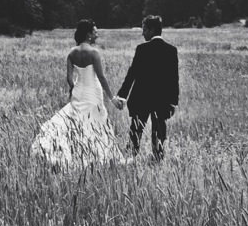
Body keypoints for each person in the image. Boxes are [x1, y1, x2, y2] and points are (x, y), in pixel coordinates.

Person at [30, 19, 125, 168]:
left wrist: (74, 88)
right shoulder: (94, 53)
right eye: (95, 32)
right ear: (88, 34)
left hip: (79, 91)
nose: (97, 34)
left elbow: (69, 77)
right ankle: (96, 155)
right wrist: (112, 97)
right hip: (93, 91)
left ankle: (77, 152)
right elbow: (101, 77)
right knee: (95, 122)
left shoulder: (72, 52)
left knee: (76, 122)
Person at [117, 14, 179, 159]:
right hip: (162, 100)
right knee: (159, 132)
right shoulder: (171, 50)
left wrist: (122, 95)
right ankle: (158, 158)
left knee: (135, 132)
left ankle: (130, 159)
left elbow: (132, 74)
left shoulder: (142, 49)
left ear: (151, 30)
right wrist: (174, 102)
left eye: (144, 29)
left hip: (141, 98)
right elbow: (173, 78)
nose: (142, 33)